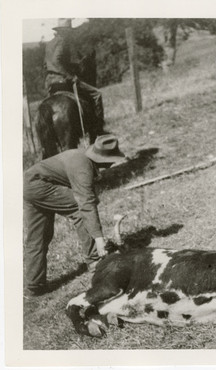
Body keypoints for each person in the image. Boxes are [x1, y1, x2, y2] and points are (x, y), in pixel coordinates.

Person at [23, 135, 126, 297]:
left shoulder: (82, 158)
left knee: (37, 237)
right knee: (80, 209)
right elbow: (85, 204)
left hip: (27, 184)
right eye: (112, 159)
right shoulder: (83, 166)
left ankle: (34, 286)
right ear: (103, 159)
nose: (113, 163)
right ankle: (95, 260)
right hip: (39, 185)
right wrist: (99, 240)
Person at [44, 18, 105, 129]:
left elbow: (47, 64)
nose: (70, 34)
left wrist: (71, 67)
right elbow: (57, 60)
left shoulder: (49, 44)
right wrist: (71, 76)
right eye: (69, 31)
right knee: (97, 94)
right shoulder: (62, 42)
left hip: (50, 82)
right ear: (65, 31)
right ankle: (98, 128)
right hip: (62, 80)